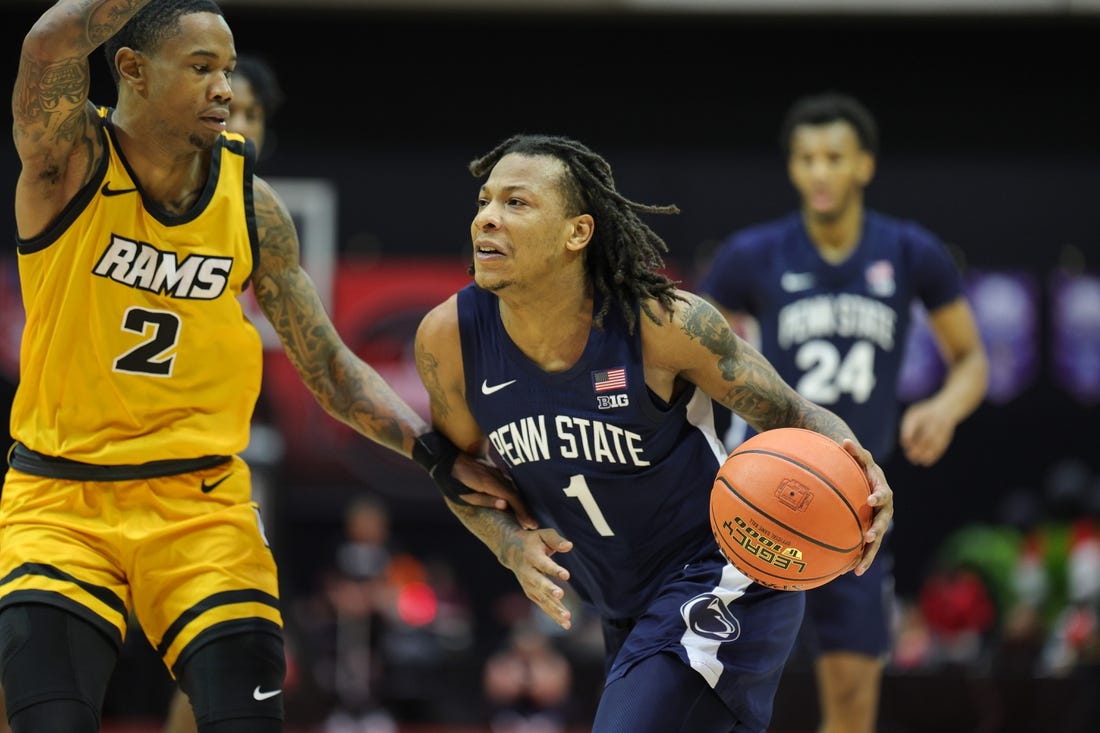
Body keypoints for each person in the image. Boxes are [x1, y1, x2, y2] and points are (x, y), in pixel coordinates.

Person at [1, 3, 530, 733]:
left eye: (227, 68)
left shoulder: (253, 205)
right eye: (201, 68)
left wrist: (436, 454)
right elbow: (49, 42)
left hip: (201, 503)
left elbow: (331, 368)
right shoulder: (70, 161)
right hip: (61, 500)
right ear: (131, 70)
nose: (224, 88)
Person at [413, 133, 895, 733]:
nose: (486, 217)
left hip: (724, 571)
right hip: (624, 608)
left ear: (577, 233)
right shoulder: (449, 339)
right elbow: (457, 473)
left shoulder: (663, 323)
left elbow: (796, 415)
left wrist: (860, 464)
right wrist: (507, 543)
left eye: (516, 203)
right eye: (484, 201)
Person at [697, 91, 989, 733]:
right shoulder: (752, 254)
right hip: (762, 488)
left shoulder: (911, 251)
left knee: (854, 701)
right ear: (793, 169)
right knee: (715, 688)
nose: (820, 172)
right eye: (806, 159)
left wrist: (943, 407)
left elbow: (971, 359)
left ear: (865, 166)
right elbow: (693, 350)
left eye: (834, 157)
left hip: (855, 500)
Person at [160, 49, 284, 733]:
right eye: (228, 106)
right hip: (85, 460)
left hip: (202, 471)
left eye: (253, 114)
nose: (239, 123)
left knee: (230, 654)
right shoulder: (128, 177)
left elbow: (321, 356)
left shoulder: (260, 216)